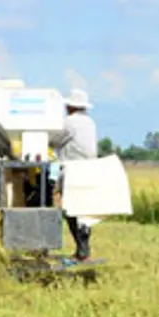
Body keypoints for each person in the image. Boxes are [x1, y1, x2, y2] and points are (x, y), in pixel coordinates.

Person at [50, 89, 98, 260]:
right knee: (84, 211)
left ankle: (81, 248)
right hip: (89, 169)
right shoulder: (90, 122)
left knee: (70, 209)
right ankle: (83, 249)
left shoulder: (69, 122)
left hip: (73, 168)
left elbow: (55, 139)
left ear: (70, 106)